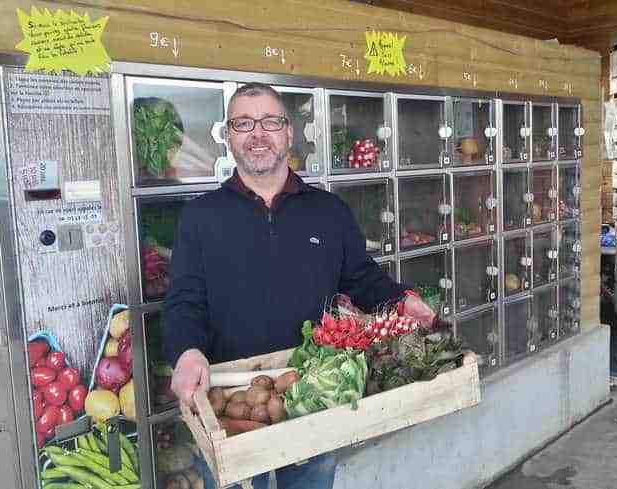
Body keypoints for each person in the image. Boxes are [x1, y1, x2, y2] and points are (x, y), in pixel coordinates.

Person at [164, 82, 436, 489]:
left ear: (289, 133)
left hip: (313, 394)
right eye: (243, 123)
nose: (258, 134)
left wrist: (401, 300)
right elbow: (185, 298)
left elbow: (361, 277)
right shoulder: (200, 217)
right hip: (230, 399)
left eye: (270, 121)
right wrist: (186, 353)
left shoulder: (328, 211)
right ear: (228, 136)